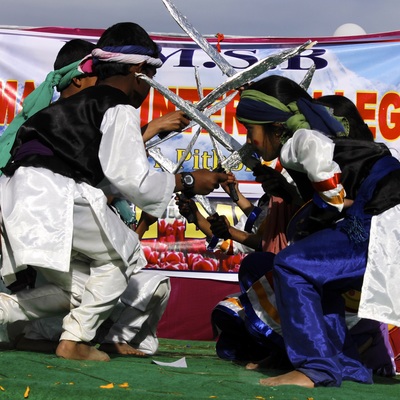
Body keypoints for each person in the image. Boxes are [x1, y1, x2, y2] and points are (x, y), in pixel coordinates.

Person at [0, 22, 228, 362]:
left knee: (78, 290)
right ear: (139, 72)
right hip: (52, 195)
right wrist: (188, 182)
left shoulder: (60, 109)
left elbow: (96, 176)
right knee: (124, 253)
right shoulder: (118, 107)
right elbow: (131, 178)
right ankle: (75, 340)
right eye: (152, 77)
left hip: (16, 196)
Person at [232, 75, 400, 387]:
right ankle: (346, 365)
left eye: (250, 129)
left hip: (383, 221)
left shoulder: (299, 140)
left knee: (291, 264)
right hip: (379, 219)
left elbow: (315, 152)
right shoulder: (326, 142)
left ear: (276, 127)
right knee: (320, 275)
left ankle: (315, 367)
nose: (248, 140)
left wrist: (331, 195)